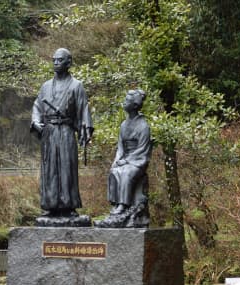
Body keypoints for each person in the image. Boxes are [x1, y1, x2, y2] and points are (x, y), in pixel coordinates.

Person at [31, 48, 93, 217]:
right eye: (54, 60)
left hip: (66, 131)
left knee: (67, 167)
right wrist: (36, 122)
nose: (56, 63)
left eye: (60, 60)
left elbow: (83, 109)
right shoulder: (45, 86)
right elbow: (37, 106)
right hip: (49, 132)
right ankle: (50, 206)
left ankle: (68, 206)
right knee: (49, 169)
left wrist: (85, 130)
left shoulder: (76, 86)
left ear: (68, 63)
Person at [107, 89, 151, 216]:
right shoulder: (123, 125)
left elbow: (142, 149)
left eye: (127, 100)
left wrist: (126, 161)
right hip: (125, 157)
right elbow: (120, 146)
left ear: (135, 105)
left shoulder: (143, 126)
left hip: (137, 160)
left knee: (126, 173)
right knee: (114, 171)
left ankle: (123, 205)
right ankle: (115, 203)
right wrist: (117, 160)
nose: (124, 102)